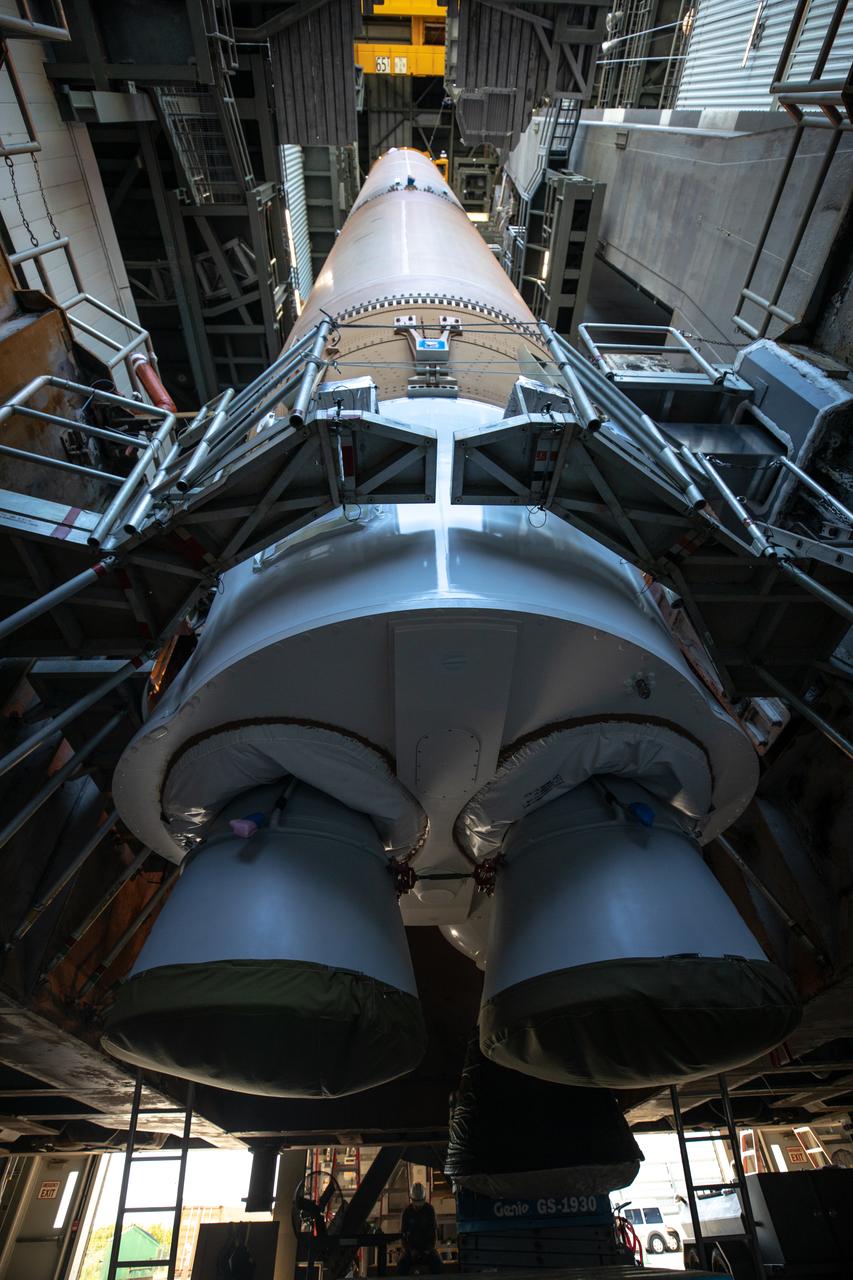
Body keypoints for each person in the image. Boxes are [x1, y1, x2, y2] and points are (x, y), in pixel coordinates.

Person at [397, 1181, 441, 1274]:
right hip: (410, 1251)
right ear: (411, 1199)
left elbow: (433, 1233)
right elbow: (403, 1235)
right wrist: (409, 1250)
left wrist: (428, 1250)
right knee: (401, 1264)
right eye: (416, 1203)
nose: (418, 1206)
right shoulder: (407, 1212)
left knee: (438, 1263)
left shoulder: (429, 1210)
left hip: (427, 1250)